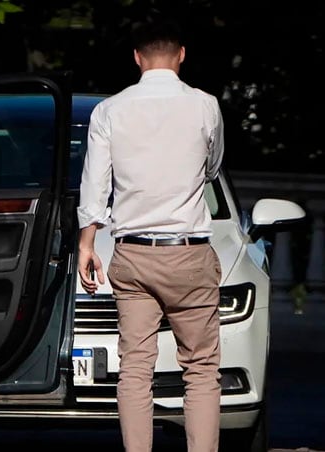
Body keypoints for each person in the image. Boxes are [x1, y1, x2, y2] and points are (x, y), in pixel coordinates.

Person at [76, 15, 225, 452]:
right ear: (181, 56)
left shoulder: (109, 110)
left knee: (135, 369)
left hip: (133, 255)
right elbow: (212, 167)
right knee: (200, 369)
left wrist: (87, 245)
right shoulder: (205, 105)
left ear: (137, 58)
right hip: (189, 254)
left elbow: (94, 185)